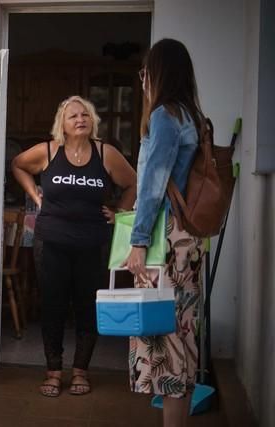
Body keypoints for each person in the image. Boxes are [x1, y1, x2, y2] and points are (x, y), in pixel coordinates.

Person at [12, 95, 136, 397]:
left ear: (92, 121)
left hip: (92, 244)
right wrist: (36, 194)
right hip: (51, 243)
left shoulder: (105, 153)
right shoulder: (48, 152)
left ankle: (81, 371)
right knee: (52, 307)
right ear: (62, 125)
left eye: (85, 115)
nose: (80, 119)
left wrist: (119, 210)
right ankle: (53, 371)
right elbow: (17, 165)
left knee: (86, 308)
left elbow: (134, 182)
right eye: (73, 116)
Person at [122, 38, 204, 427]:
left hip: (166, 238)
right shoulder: (192, 115)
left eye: (145, 72)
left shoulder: (165, 117)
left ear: (158, 74)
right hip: (188, 242)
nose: (142, 80)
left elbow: (153, 184)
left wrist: (137, 242)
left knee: (167, 341)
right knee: (181, 336)